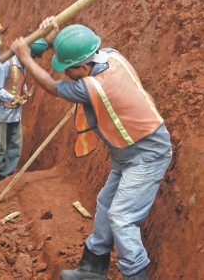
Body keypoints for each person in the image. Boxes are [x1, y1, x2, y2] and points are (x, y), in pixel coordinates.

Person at [10, 17, 172, 280]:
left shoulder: (91, 87)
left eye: (69, 70)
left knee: (121, 217)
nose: (66, 74)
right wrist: (56, 41)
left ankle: (135, 276)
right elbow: (78, 52)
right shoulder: (111, 55)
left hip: (147, 154)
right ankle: (92, 269)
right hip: (128, 151)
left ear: (84, 69)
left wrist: (26, 58)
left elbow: (52, 87)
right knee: (105, 203)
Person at [0, 38, 48, 183]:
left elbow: (18, 81)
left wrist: (23, 93)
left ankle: (4, 177)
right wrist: (12, 97)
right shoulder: (6, 63)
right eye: (33, 56)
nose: (33, 60)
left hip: (14, 113)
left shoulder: (22, 64)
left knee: (15, 144)